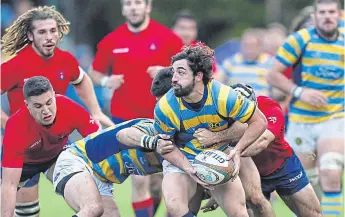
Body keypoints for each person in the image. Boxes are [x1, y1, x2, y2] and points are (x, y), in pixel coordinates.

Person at [0, 6, 114, 217]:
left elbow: (82, 80)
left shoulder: (65, 60)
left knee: (94, 206)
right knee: (27, 212)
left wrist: (96, 111)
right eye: (42, 32)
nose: (49, 37)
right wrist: (6, 122)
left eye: (53, 31)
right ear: (30, 35)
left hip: (57, 147)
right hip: (22, 153)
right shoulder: (15, 65)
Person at [88, 0, 184, 215]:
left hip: (162, 117)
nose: (133, 7)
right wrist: (106, 81)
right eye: (129, 3)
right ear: (123, 9)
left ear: (147, 7)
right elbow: (94, 73)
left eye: (138, 2)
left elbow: (187, 69)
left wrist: (167, 70)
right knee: (140, 179)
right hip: (125, 118)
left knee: (159, 180)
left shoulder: (168, 37)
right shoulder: (112, 40)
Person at [154, 43, 268, 217]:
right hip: (183, 157)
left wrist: (237, 151)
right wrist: (188, 168)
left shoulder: (224, 96)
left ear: (198, 76)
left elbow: (259, 122)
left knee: (240, 213)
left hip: (218, 157)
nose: (174, 78)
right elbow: (165, 146)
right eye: (174, 72)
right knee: (174, 206)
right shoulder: (165, 107)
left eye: (181, 72)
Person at [196, 83, 323, 217]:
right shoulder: (221, 116)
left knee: (313, 215)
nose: (242, 115)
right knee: (255, 201)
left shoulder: (270, 107)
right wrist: (220, 184)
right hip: (250, 173)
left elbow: (261, 142)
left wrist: (234, 152)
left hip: (284, 167)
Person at [267, 0, 344, 216]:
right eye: (322, 12)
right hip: (302, 121)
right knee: (305, 184)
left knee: (330, 170)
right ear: (315, 15)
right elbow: (272, 74)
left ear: (339, 15)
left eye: (331, 12)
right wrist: (300, 92)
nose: (327, 16)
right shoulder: (300, 39)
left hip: (334, 118)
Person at [52, 117, 208, 217]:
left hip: (102, 178)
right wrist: (153, 142)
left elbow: (190, 195)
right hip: (77, 159)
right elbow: (123, 134)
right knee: (93, 208)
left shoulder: (184, 155)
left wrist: (213, 191)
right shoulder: (153, 130)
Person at [1, 76, 100, 217]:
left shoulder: (68, 106)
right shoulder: (16, 126)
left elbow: (98, 141)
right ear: (27, 105)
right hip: (24, 164)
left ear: (54, 95)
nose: (46, 111)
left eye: (49, 102)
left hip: (58, 155)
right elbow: (10, 185)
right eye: (38, 106)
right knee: (26, 213)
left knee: (94, 207)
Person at [216, 28, 273, 97]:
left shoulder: (270, 63)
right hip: (235, 104)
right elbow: (217, 82)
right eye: (246, 45)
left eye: (253, 45)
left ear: (260, 46)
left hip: (261, 105)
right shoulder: (231, 62)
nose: (249, 50)